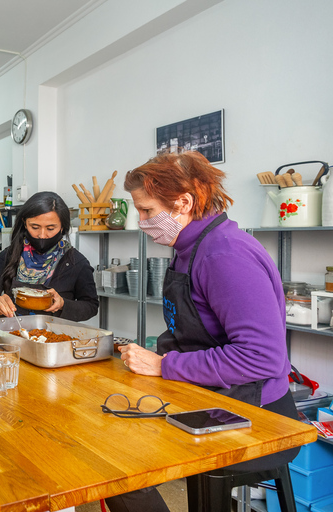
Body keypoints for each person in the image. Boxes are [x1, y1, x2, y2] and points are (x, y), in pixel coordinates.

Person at [108, 151, 298, 512]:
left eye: (146, 210)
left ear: (183, 202)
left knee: (117, 460)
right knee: (109, 433)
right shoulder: (188, 247)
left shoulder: (224, 254)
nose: (141, 220)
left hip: (254, 416)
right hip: (211, 397)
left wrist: (165, 366)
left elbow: (261, 357)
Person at [0, 191, 99, 321]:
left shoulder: (77, 262)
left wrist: (63, 304)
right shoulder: (10, 255)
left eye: (50, 228)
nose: (42, 235)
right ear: (24, 223)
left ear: (62, 226)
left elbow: (91, 306)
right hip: (13, 334)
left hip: (56, 336)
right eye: (35, 227)